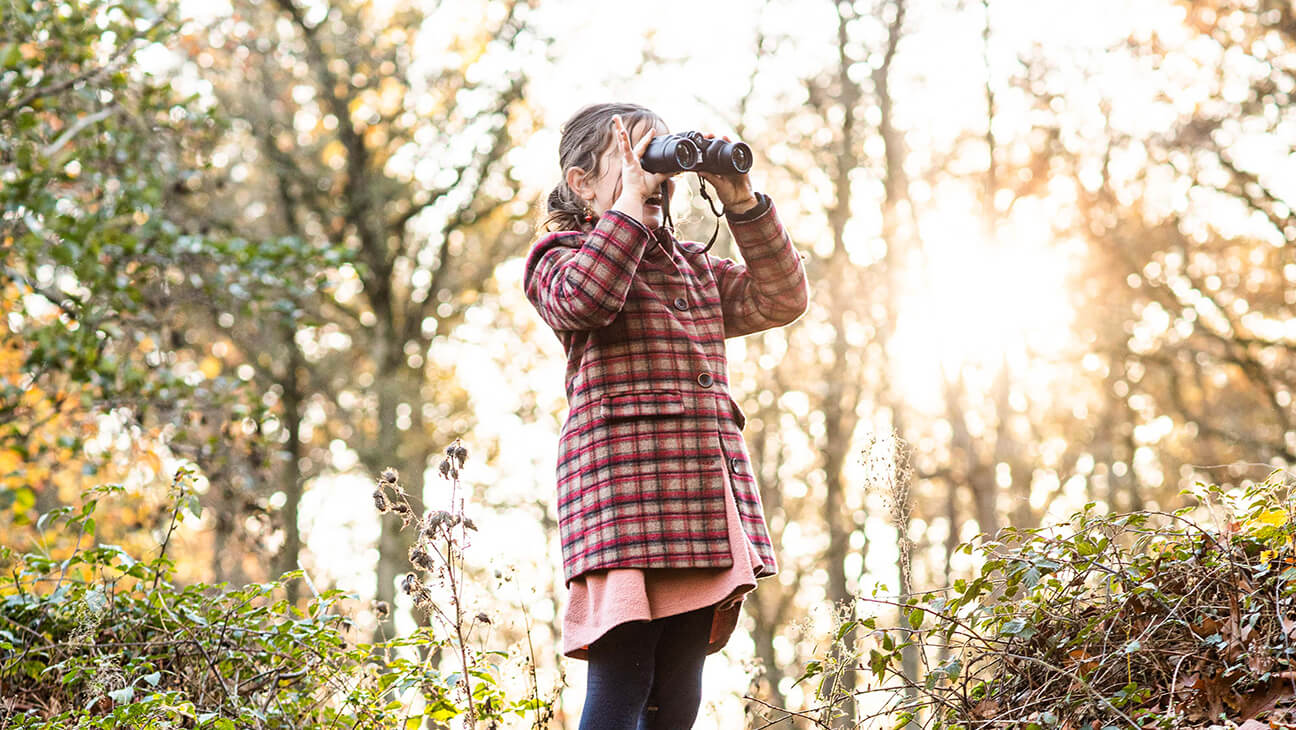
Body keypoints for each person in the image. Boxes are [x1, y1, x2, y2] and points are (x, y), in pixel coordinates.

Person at [523, 102, 809, 729]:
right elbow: (583, 300)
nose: (651, 177)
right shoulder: (559, 257)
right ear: (580, 183)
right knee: (623, 679)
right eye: (628, 160)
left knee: (679, 692)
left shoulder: (693, 266)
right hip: (622, 500)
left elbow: (783, 297)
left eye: (657, 160)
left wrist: (741, 199)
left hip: (699, 498)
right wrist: (627, 205)